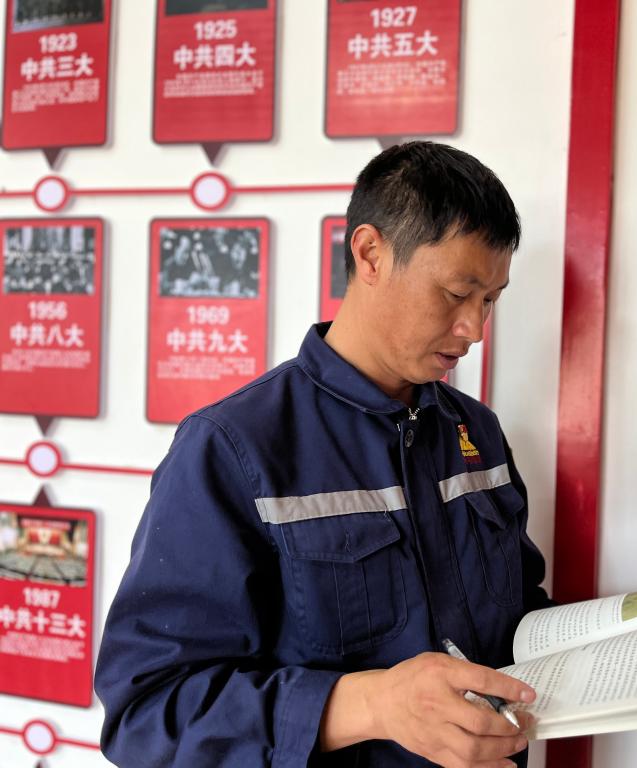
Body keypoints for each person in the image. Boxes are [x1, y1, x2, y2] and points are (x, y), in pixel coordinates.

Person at [95, 141, 552, 768]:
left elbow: (520, 615)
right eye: (455, 293)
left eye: (490, 299)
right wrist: (371, 704)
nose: (475, 328)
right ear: (370, 254)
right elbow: (148, 713)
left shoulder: (478, 434)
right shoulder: (235, 448)